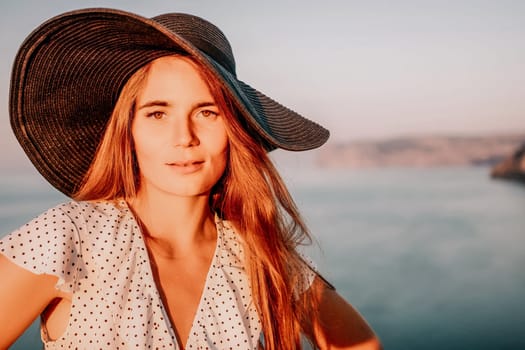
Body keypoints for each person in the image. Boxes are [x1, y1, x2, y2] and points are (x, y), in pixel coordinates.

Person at [0, 8, 381, 350]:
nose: (184, 137)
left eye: (208, 112)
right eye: (157, 113)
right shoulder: (67, 238)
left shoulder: (259, 257)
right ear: (127, 132)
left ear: (235, 130)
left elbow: (360, 344)